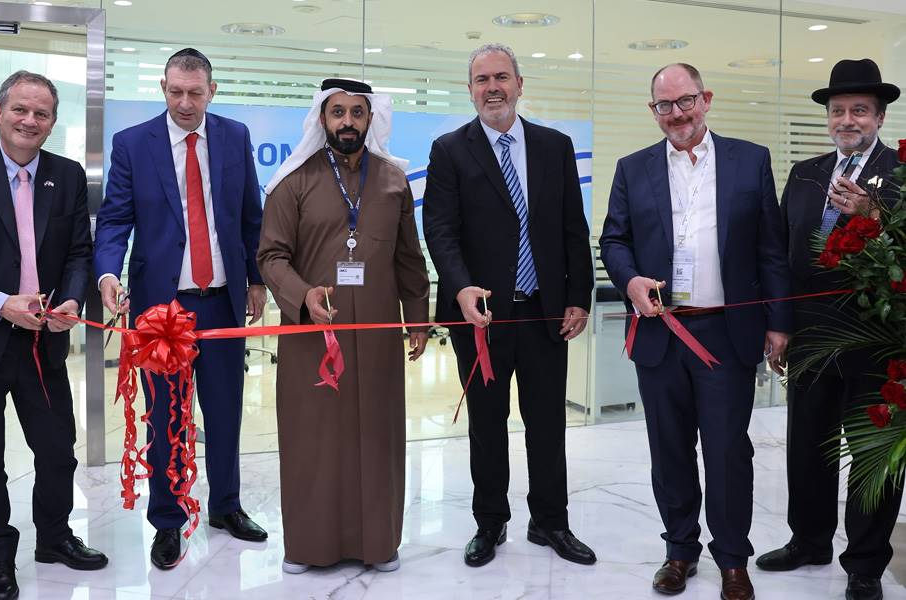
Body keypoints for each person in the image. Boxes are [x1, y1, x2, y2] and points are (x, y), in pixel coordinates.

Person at [599, 63, 791, 600]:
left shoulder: (750, 160)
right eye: (664, 106)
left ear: (705, 98)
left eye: (685, 101)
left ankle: (733, 559)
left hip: (725, 334)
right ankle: (680, 550)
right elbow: (614, 241)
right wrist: (630, 278)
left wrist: (779, 322)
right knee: (670, 449)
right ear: (652, 111)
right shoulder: (632, 168)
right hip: (662, 336)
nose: (676, 114)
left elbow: (770, 248)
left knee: (729, 450)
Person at [423, 43, 596, 568]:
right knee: (487, 424)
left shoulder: (555, 146)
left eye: (501, 77)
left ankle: (550, 523)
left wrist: (578, 297)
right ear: (470, 89)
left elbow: (572, 227)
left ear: (520, 84)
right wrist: (459, 287)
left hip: (544, 312)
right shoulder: (450, 149)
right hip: (481, 316)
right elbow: (441, 230)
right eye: (481, 79)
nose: (492, 87)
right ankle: (490, 523)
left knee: (548, 424)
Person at [94, 48, 267, 570]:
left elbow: (249, 215)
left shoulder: (234, 136)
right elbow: (114, 220)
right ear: (163, 89)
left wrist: (256, 278)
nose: (186, 102)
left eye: (196, 92)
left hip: (221, 304)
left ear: (211, 90)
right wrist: (107, 274)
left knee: (225, 411)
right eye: (176, 92)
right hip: (160, 310)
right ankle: (167, 521)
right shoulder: (132, 145)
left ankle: (226, 507)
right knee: (167, 417)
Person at [257, 78, 430, 574]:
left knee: (378, 437)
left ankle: (378, 544)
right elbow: (270, 255)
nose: (348, 122)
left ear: (370, 119)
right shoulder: (294, 181)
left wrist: (417, 317)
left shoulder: (394, 182)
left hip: (376, 336)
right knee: (314, 441)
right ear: (322, 118)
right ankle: (310, 546)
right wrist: (302, 296)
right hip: (314, 338)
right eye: (338, 112)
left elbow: (408, 259)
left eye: (358, 112)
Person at [0, 70, 107, 600]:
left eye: (41, 113)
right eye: (20, 109)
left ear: (52, 122)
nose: (29, 120)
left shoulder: (66, 177)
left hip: (43, 343)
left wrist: (70, 298)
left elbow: (78, 253)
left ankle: (54, 537)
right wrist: (1, 304)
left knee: (57, 449)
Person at [755, 58, 902, 600]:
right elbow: (780, 253)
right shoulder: (806, 173)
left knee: (870, 453)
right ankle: (809, 540)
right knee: (807, 445)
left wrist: (875, 213)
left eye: (858, 111)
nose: (847, 120)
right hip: (811, 335)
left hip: (877, 339)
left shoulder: (901, 175)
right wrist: (778, 323)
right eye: (838, 111)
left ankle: (864, 562)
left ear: (879, 116)